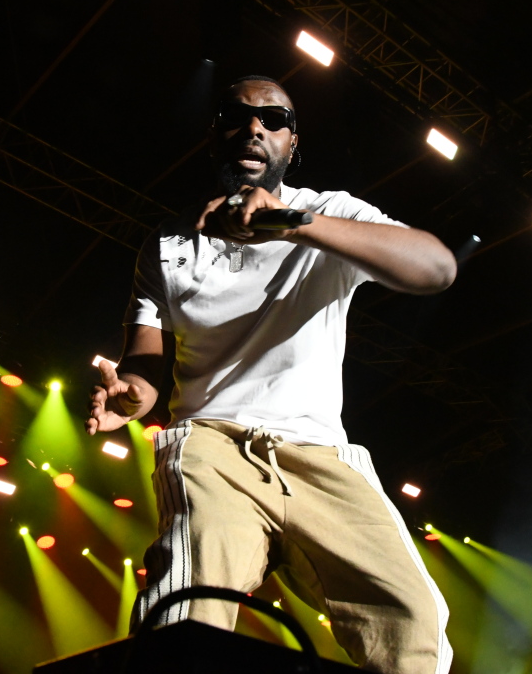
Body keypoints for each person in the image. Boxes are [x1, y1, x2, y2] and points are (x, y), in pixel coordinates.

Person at [86, 75, 456, 674]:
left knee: (415, 620)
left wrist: (296, 221)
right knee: (185, 609)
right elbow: (145, 367)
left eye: (274, 119)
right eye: (237, 116)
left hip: (320, 455)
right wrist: (131, 397)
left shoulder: (332, 213)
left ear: (291, 143)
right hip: (213, 447)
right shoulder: (167, 246)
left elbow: (437, 268)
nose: (255, 127)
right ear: (216, 138)